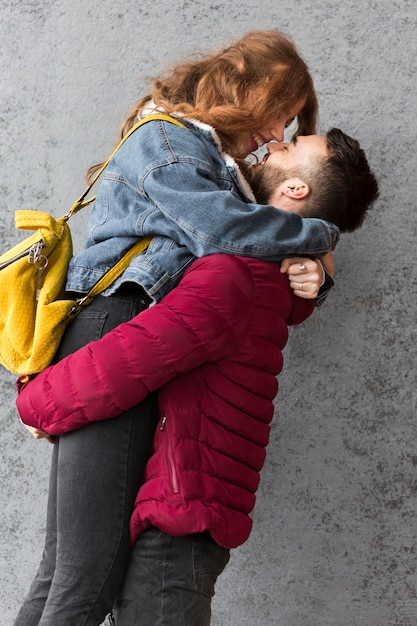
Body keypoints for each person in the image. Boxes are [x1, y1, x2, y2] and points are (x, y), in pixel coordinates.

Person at [16, 126, 379, 625]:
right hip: (186, 512)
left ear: (296, 189)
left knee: (73, 587)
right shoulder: (263, 275)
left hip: (180, 520)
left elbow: (122, 362)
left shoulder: (234, 275)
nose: (273, 144)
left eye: (290, 147)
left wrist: (34, 401)